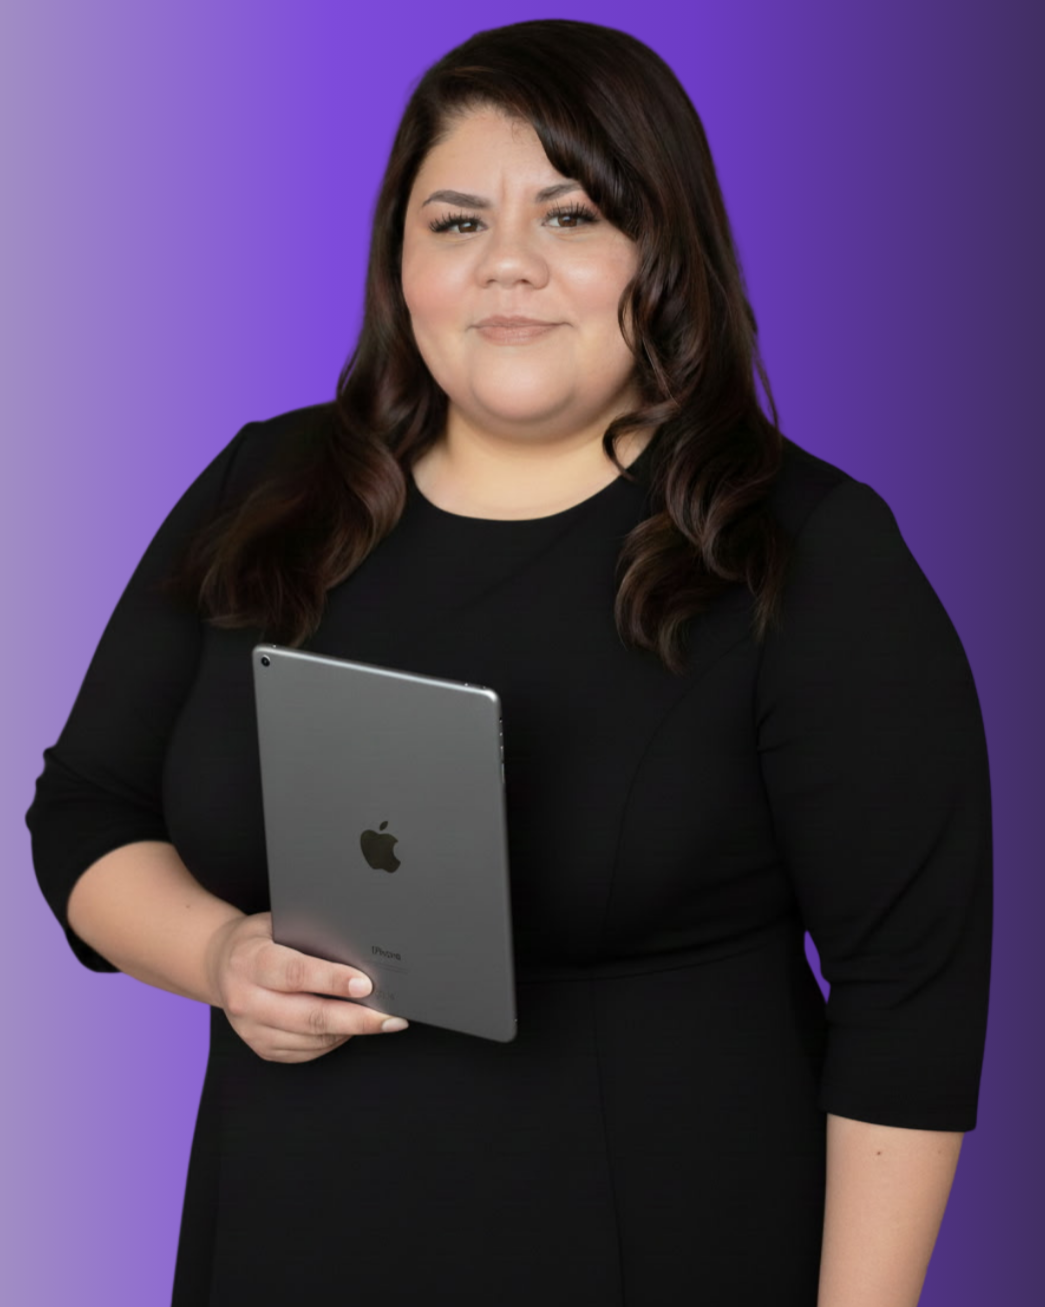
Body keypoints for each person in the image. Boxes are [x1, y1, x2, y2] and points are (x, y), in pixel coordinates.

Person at [25, 18, 992, 1307]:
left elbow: (910, 994)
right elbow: (85, 809)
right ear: (402, 261)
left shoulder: (803, 548)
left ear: (666, 252)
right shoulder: (268, 485)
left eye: (572, 216)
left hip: (660, 1240)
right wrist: (219, 957)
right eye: (459, 222)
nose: (508, 266)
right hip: (283, 1235)